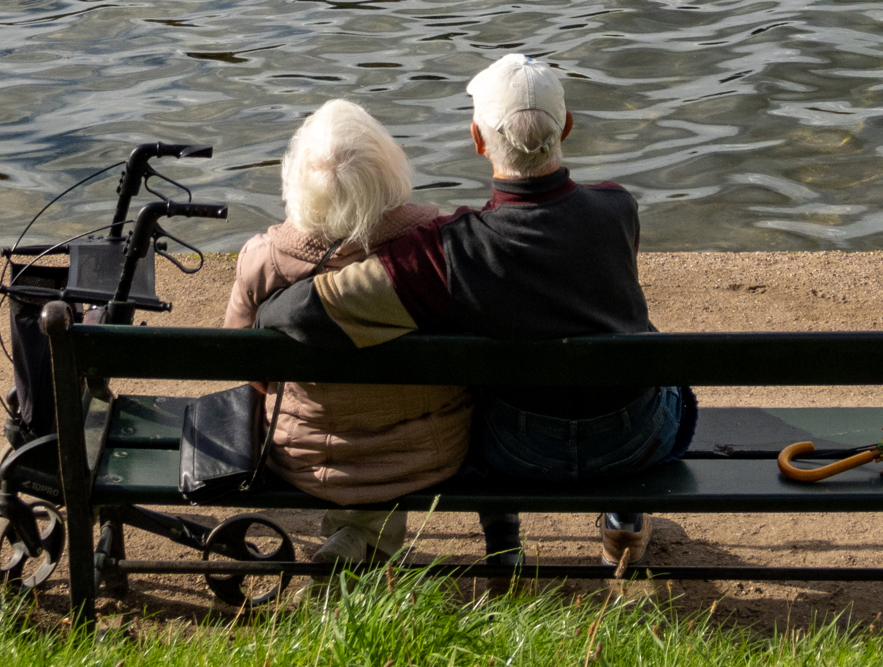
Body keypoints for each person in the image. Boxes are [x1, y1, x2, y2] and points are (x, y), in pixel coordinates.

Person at [253, 55, 696, 568]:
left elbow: (303, 311)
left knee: (480, 390)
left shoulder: (449, 252)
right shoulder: (618, 208)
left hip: (519, 450)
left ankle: (504, 544)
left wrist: (270, 300)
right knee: (644, 340)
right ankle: (622, 517)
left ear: (478, 140)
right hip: (634, 439)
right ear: (567, 128)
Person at [225, 99, 473, 566]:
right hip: (428, 453)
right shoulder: (438, 253)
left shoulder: (262, 260)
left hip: (300, 459)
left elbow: (246, 369)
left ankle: (355, 534)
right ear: (389, 169)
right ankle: (363, 537)